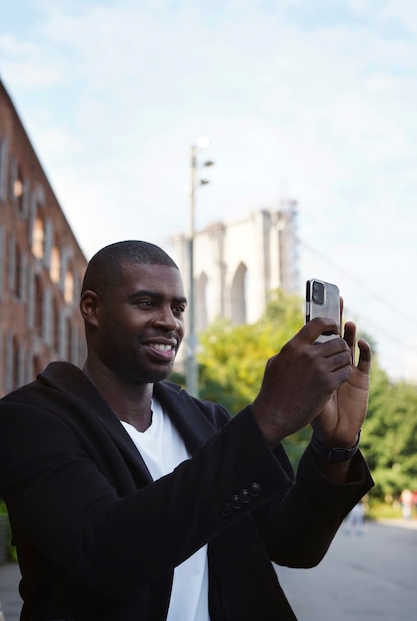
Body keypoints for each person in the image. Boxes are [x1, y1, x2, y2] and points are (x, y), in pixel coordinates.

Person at [0, 240, 373, 621]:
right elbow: (107, 554)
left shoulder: (209, 421)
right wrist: (267, 417)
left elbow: (293, 546)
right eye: (147, 303)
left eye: (178, 308)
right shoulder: (30, 419)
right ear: (91, 309)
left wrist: (335, 448)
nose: (169, 321)